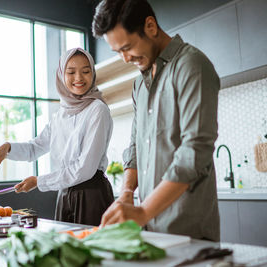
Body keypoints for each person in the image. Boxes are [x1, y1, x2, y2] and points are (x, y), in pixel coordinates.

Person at [92, 0, 220, 241]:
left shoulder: (192, 66)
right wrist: (127, 193)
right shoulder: (139, 84)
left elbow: (194, 153)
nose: (125, 59)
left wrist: (142, 211)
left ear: (150, 26)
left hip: (188, 231)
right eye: (117, 52)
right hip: (150, 232)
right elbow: (135, 147)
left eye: (127, 47)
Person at [0, 48, 114, 226]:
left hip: (91, 193)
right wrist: (8, 148)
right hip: (64, 192)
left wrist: (38, 182)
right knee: (64, 250)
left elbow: (85, 169)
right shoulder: (60, 114)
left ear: (92, 74)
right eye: (71, 72)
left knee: (91, 250)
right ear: (61, 75)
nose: (78, 78)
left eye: (86, 71)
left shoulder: (98, 109)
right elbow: (35, 148)